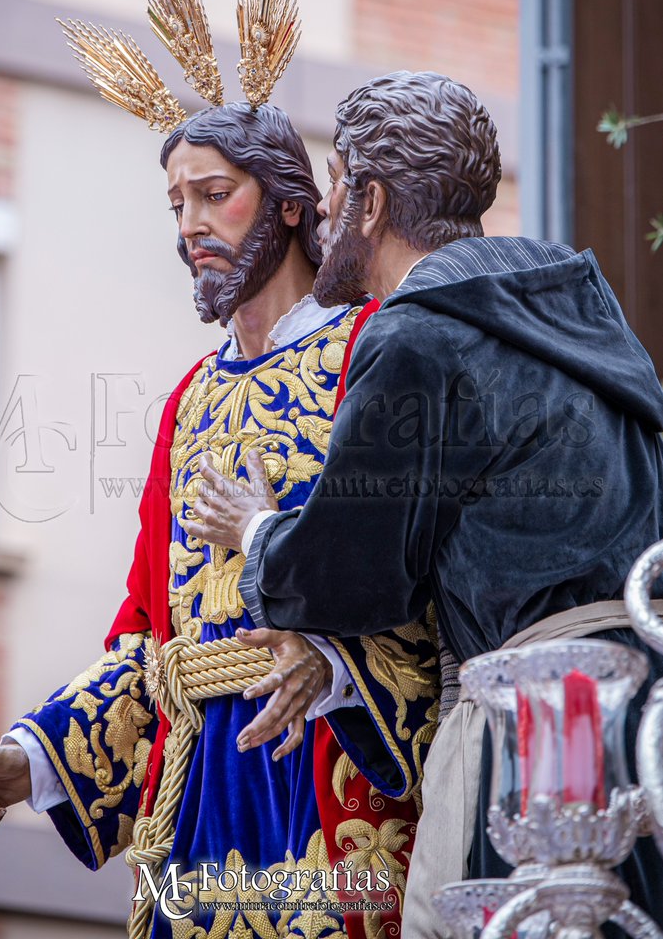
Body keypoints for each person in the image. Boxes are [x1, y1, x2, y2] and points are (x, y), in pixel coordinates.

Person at [0, 7, 440, 939]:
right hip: (201, 791)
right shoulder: (191, 402)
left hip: (324, 765)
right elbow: (150, 627)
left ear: (291, 204)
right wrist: (35, 758)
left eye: (213, 195)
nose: (189, 227)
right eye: (176, 204)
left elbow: (419, 568)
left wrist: (332, 660)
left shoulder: (372, 353)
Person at [192, 70, 663, 937]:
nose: (325, 209)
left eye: (336, 183)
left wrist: (256, 531)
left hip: (537, 728)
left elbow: (352, 574)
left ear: (369, 201)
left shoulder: (418, 332)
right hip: (645, 723)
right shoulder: (581, 317)